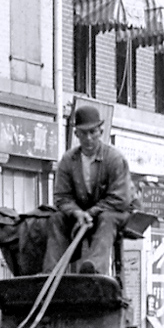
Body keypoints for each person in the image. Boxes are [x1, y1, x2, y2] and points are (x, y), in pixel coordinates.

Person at [43, 101, 135, 278]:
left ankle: (94, 269)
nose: (89, 138)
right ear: (76, 133)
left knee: (107, 220)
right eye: (84, 133)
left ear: (100, 132)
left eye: (93, 132)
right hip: (80, 215)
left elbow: (120, 198)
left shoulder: (115, 159)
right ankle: (50, 272)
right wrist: (77, 213)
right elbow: (62, 197)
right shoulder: (68, 160)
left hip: (113, 213)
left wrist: (91, 213)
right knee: (56, 219)